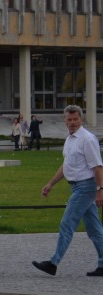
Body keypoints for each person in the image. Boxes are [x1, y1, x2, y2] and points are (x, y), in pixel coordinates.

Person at [32, 105, 103, 277]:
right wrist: (50, 184)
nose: (72, 123)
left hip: (86, 188)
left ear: (81, 119)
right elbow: (66, 166)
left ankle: (53, 263)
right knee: (94, 229)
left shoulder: (87, 139)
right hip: (77, 187)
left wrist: (100, 190)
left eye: (75, 119)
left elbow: (98, 167)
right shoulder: (70, 139)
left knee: (67, 224)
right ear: (65, 121)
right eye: (69, 120)